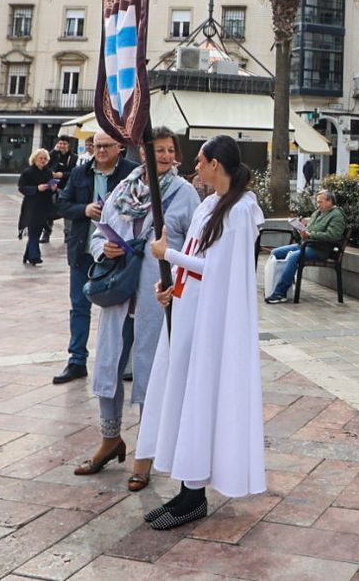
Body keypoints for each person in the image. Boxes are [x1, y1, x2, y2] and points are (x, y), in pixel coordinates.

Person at [136, 134, 265, 530]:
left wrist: (167, 255)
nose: (194, 166)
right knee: (181, 396)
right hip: (188, 310)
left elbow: (222, 271)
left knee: (199, 396)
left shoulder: (242, 211)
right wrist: (169, 286)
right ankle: (186, 490)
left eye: (200, 161)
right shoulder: (209, 204)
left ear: (214, 164)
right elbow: (196, 259)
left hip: (212, 322)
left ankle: (193, 495)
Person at [76, 126, 200, 490]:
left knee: (150, 368)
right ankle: (110, 440)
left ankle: (144, 457)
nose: (163, 156)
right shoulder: (124, 188)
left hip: (157, 295)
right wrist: (105, 248)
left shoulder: (184, 193)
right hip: (118, 291)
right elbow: (100, 232)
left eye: (168, 150)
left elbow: (195, 247)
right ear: (143, 153)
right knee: (110, 364)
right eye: (157, 150)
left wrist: (177, 283)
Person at [52, 132, 137, 385]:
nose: (100, 151)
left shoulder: (132, 173)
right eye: (97, 146)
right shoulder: (80, 173)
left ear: (119, 148)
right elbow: (62, 204)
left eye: (106, 146)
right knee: (79, 306)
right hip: (83, 250)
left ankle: (123, 362)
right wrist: (84, 209)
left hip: (117, 254)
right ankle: (77, 360)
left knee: (122, 309)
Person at [263, 189, 348, 303]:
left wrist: (309, 234)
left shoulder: (337, 215)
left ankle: (280, 293)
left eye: (320, 202)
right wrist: (298, 229)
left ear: (330, 201)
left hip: (320, 249)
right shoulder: (317, 213)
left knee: (293, 257)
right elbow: (307, 231)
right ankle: (273, 286)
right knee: (276, 252)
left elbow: (332, 236)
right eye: (317, 202)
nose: (318, 205)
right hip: (306, 245)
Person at [17, 148, 59, 267]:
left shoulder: (48, 172)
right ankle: (35, 256)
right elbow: (22, 187)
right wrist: (36, 188)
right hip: (32, 205)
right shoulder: (28, 172)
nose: (43, 161)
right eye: (41, 158)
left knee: (37, 230)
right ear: (34, 159)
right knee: (33, 230)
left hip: (44, 205)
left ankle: (28, 255)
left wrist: (52, 188)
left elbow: (51, 190)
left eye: (45, 159)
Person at [46, 136, 78, 244]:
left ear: (68, 145)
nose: (62, 146)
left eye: (64, 144)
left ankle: (68, 235)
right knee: (48, 210)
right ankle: (46, 233)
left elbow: (74, 172)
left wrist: (63, 174)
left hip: (66, 187)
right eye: (60, 143)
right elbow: (46, 166)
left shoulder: (73, 157)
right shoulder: (53, 155)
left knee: (67, 211)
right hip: (52, 185)